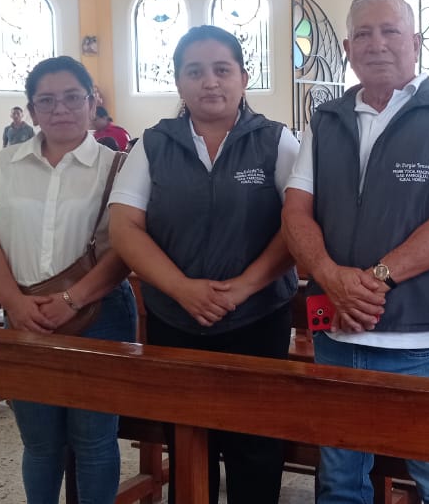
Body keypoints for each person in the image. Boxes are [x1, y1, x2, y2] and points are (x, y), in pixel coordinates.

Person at [283, 0, 429, 504]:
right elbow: (296, 212)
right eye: (364, 34)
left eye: (390, 31)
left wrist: (373, 280)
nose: (377, 44)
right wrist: (331, 277)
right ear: (347, 48)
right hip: (335, 333)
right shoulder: (325, 120)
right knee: (338, 482)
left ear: (415, 43)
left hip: (418, 341)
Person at [109, 25, 299, 504]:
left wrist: (245, 286)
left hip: (257, 319)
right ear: (178, 81)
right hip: (176, 319)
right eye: (194, 71)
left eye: (222, 70)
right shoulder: (154, 144)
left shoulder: (276, 141)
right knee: (189, 441)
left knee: (256, 445)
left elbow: (298, 224)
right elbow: (125, 227)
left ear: (243, 78)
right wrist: (181, 288)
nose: (209, 82)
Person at [0, 56, 136, 504]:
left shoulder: (118, 166)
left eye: (71, 98)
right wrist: (14, 304)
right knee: (40, 442)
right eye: (46, 100)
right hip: (25, 313)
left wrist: (73, 298)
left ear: (91, 103)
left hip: (100, 314)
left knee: (94, 440)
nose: (60, 109)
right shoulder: (4, 166)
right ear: (32, 109)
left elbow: (125, 249)